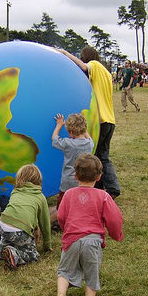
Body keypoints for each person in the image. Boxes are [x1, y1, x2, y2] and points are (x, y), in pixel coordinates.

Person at [50, 153, 123, 296]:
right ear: (99, 177)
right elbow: (114, 218)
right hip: (93, 241)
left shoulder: (68, 194)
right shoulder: (103, 196)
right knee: (92, 274)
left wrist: (65, 228)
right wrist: (116, 234)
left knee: (64, 271)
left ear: (75, 176)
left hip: (71, 240)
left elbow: (61, 216)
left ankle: (61, 295)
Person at [59, 46, 121, 198]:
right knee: (100, 155)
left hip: (100, 120)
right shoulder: (106, 73)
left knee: (101, 156)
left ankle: (113, 188)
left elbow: (84, 66)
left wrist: (66, 53)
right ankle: (98, 186)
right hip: (109, 119)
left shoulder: (95, 65)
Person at [0, 164, 51, 270]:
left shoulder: (15, 192)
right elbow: (45, 223)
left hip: (3, 224)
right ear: (38, 180)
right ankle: (15, 255)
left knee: (9, 235)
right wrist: (47, 245)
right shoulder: (40, 197)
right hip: (21, 231)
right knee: (33, 255)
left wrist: (35, 228)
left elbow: (21, 212)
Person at [50, 113, 94, 224]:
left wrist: (59, 125)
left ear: (70, 132)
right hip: (81, 181)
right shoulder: (89, 144)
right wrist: (83, 128)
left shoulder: (68, 143)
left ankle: (53, 222)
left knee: (62, 206)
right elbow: (88, 136)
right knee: (78, 203)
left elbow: (54, 139)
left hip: (67, 182)